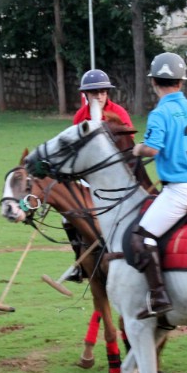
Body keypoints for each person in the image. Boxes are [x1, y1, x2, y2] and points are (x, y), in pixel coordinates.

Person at [129, 52, 187, 318]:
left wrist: (137, 149)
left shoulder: (160, 113)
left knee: (141, 237)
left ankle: (158, 296)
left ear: (154, 82)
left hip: (183, 191)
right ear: (181, 82)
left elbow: (153, 150)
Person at [58, 69, 135, 284]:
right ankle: (79, 264)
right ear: (86, 95)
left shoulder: (118, 112)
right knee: (67, 217)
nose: (99, 96)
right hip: (88, 176)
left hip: (115, 177)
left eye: (102, 92)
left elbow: (129, 146)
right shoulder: (80, 116)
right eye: (94, 93)